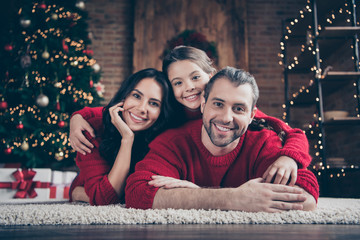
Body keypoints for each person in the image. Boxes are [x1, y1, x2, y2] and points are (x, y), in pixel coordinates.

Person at [70, 46, 312, 187]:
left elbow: (291, 133)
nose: (189, 88)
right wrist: (78, 117)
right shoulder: (171, 108)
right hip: (144, 161)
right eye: (178, 82)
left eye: (196, 77)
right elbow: (112, 111)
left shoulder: (230, 110)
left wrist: (289, 159)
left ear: (212, 75)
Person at [125, 67, 319, 212]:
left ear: (252, 116)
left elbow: (307, 195)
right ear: (203, 105)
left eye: (239, 109)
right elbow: (136, 192)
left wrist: (196, 193)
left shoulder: (263, 142)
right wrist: (232, 198)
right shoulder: (173, 141)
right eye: (218, 104)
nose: (226, 118)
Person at [69, 68, 187, 205]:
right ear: (124, 97)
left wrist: (80, 193)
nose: (142, 108)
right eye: (136, 96)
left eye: (154, 103)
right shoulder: (93, 128)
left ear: (162, 112)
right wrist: (127, 139)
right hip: (89, 189)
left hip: (89, 193)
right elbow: (105, 198)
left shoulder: (164, 138)